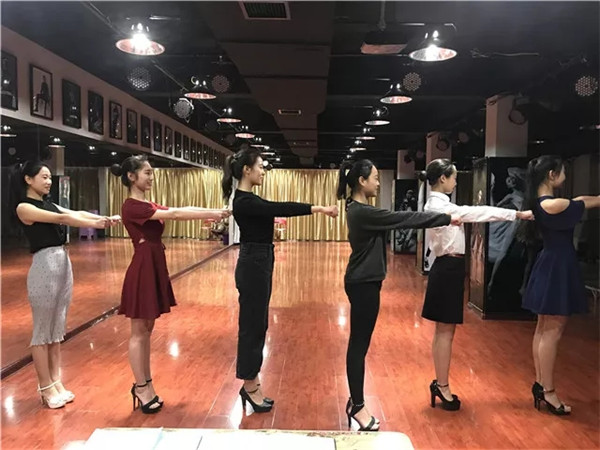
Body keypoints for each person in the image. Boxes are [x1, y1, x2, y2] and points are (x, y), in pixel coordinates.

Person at [337, 159, 461, 431]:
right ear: (361, 181)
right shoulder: (362, 212)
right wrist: (445, 218)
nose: (378, 183)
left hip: (365, 282)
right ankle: (357, 405)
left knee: (360, 344)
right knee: (358, 345)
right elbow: (404, 218)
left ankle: (355, 402)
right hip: (363, 283)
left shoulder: (358, 208)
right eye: (374, 178)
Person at [221, 148, 338, 414]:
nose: (263, 171)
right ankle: (249, 384)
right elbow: (279, 208)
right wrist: (318, 208)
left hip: (260, 260)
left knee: (258, 323)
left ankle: (252, 381)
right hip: (254, 263)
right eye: (260, 166)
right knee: (252, 325)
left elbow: (274, 208)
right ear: (247, 170)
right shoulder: (244, 201)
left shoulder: (249, 198)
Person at [111, 155, 230, 414]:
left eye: (151, 173)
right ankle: (141, 386)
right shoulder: (132, 206)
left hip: (153, 263)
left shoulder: (147, 203)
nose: (151, 177)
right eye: (147, 173)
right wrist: (214, 213)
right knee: (139, 331)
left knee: (147, 329)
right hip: (143, 267)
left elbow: (181, 207)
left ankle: (146, 383)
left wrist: (214, 211)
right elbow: (175, 214)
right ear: (131, 176)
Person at [419, 158, 533, 411]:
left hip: (447, 268)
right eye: (453, 177)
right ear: (442, 179)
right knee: (445, 331)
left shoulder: (439, 204)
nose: (455, 181)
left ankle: (441, 383)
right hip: (447, 269)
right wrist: (516, 214)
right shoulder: (441, 207)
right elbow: (479, 212)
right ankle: (442, 385)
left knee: (444, 330)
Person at [11, 161, 119, 409]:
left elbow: (75, 212)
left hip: (62, 263)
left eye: (50, 177)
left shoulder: (48, 202)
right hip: (44, 265)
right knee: (42, 332)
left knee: (56, 330)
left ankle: (56, 380)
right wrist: (96, 224)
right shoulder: (24, 207)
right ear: (28, 179)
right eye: (44, 177)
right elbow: (63, 218)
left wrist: (102, 218)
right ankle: (45, 386)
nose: (49, 181)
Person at [519, 155, 600, 416]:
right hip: (558, 266)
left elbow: (581, 200)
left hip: (550, 263)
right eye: (563, 171)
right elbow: (582, 202)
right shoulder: (554, 204)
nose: (565, 176)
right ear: (551, 175)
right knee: (552, 330)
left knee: (544, 328)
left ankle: (541, 384)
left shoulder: (542, 202)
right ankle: (549, 391)